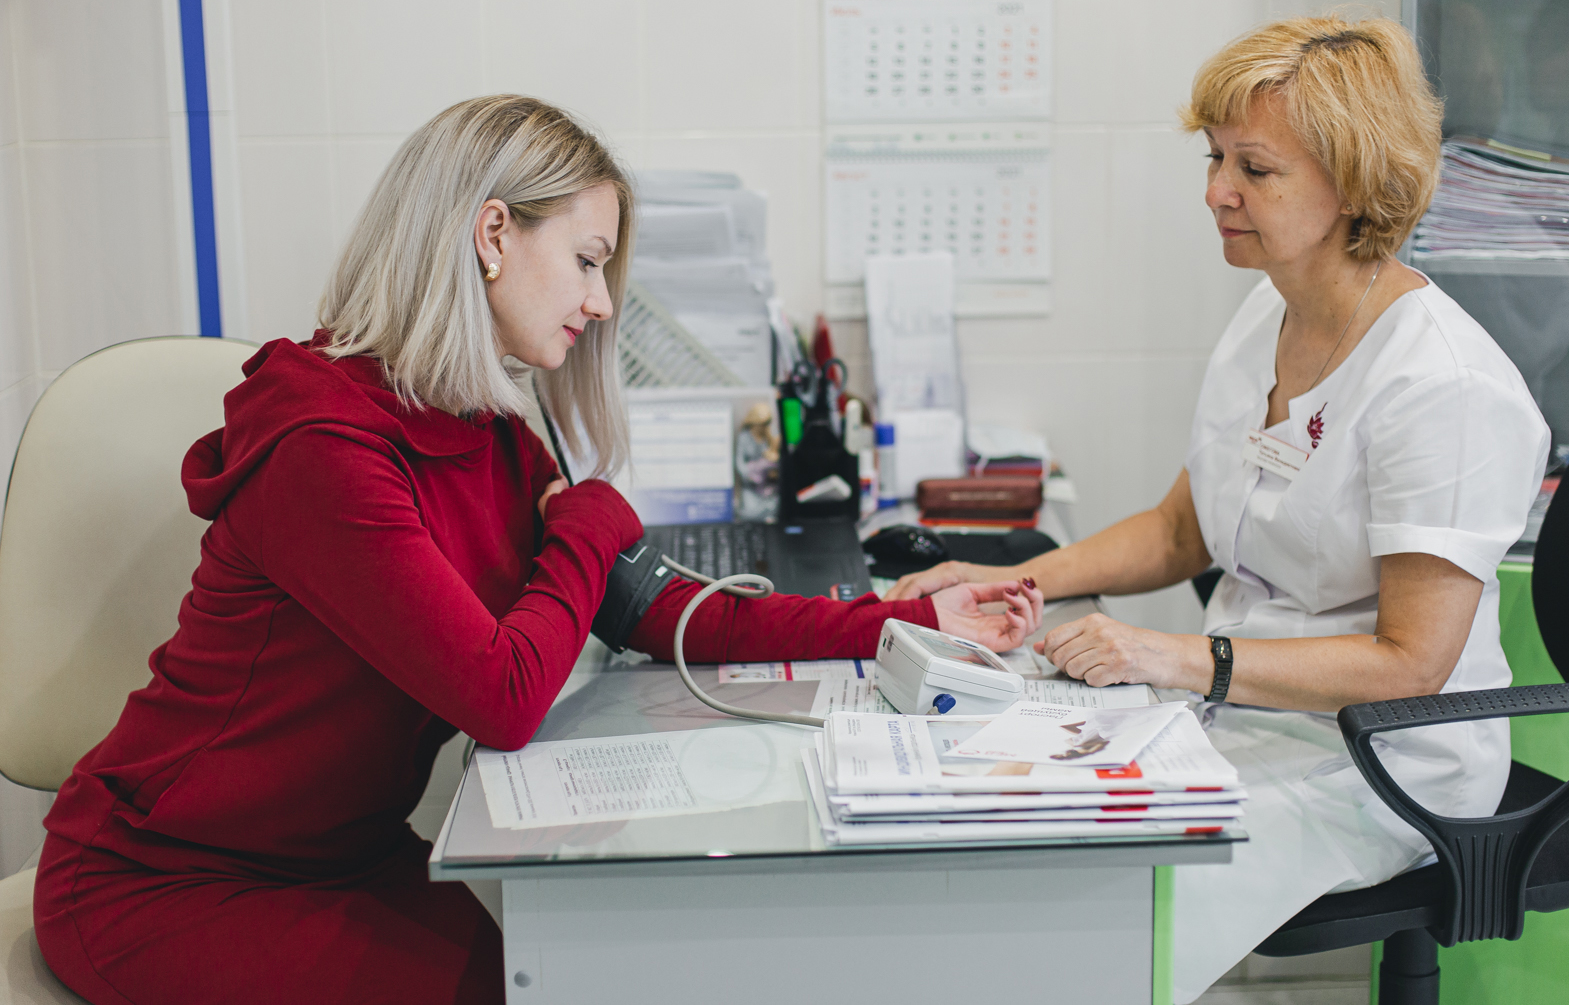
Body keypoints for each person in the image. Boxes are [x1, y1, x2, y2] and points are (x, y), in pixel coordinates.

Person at [32, 95, 1046, 1005]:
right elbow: (501, 695)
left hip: (338, 856)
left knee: (576, 971)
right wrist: (593, 521)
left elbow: (665, 613)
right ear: (490, 235)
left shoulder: (488, 430)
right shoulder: (322, 445)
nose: (603, 303)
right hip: (170, 875)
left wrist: (902, 620)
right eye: (590, 261)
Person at [883, 16, 1548, 1001]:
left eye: (1255, 169)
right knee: (1018, 822)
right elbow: (1179, 529)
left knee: (1108, 908)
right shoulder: (1266, 316)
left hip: (1386, 761)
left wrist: (1174, 656)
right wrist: (1006, 578)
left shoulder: (1440, 385)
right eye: (1213, 158)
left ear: (1353, 181)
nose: (1215, 192)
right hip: (1243, 707)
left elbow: (1412, 662)